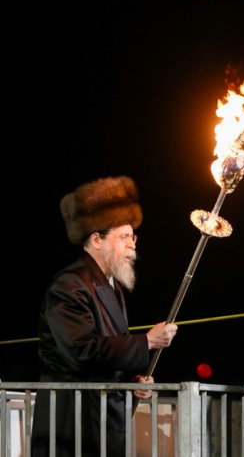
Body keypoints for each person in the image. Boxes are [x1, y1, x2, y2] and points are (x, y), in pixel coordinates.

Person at [31, 176, 178, 457]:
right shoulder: (69, 284)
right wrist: (145, 342)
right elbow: (81, 351)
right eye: (123, 237)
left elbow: (108, 355)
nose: (133, 245)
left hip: (102, 419)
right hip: (72, 423)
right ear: (97, 240)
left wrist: (130, 384)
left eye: (132, 237)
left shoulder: (111, 286)